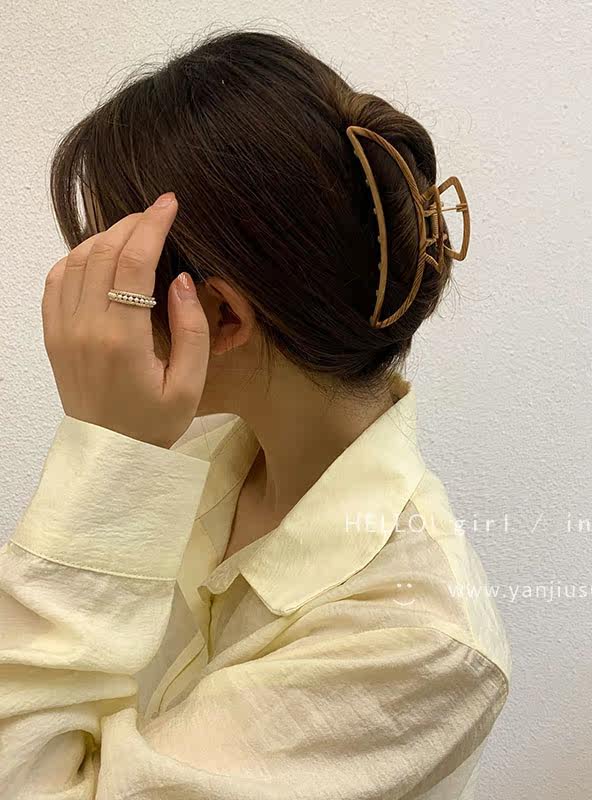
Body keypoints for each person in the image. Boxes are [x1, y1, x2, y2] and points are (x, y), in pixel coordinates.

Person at [0, 29, 511, 800]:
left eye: (118, 270)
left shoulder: (415, 641)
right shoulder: (193, 454)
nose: (91, 313)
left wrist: (105, 455)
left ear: (222, 316)